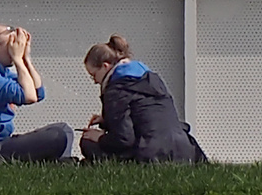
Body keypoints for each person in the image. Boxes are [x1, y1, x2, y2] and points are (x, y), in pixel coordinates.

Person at [0, 22, 76, 162]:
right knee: (56, 137)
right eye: (11, 44)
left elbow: (38, 91)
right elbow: (29, 97)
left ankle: (63, 166)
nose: (15, 48)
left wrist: (25, 58)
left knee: (65, 130)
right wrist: (17, 59)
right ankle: (61, 164)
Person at [79, 34, 206, 163]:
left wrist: (99, 137)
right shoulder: (151, 79)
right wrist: (107, 119)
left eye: (93, 75)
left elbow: (123, 139)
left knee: (88, 143)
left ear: (105, 66)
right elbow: (145, 114)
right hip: (183, 151)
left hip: (150, 153)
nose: (95, 81)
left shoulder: (116, 90)